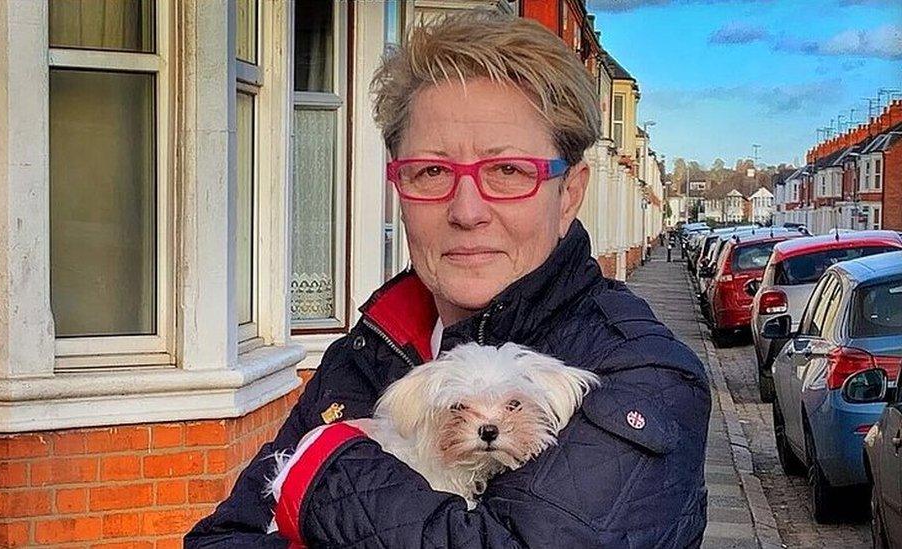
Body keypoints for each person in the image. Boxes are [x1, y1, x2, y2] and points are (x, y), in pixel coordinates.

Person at [185, 11, 710, 548]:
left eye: (507, 172)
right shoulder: (368, 352)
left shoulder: (644, 377)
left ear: (570, 193)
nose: (466, 210)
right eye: (432, 171)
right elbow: (219, 538)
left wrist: (320, 468)